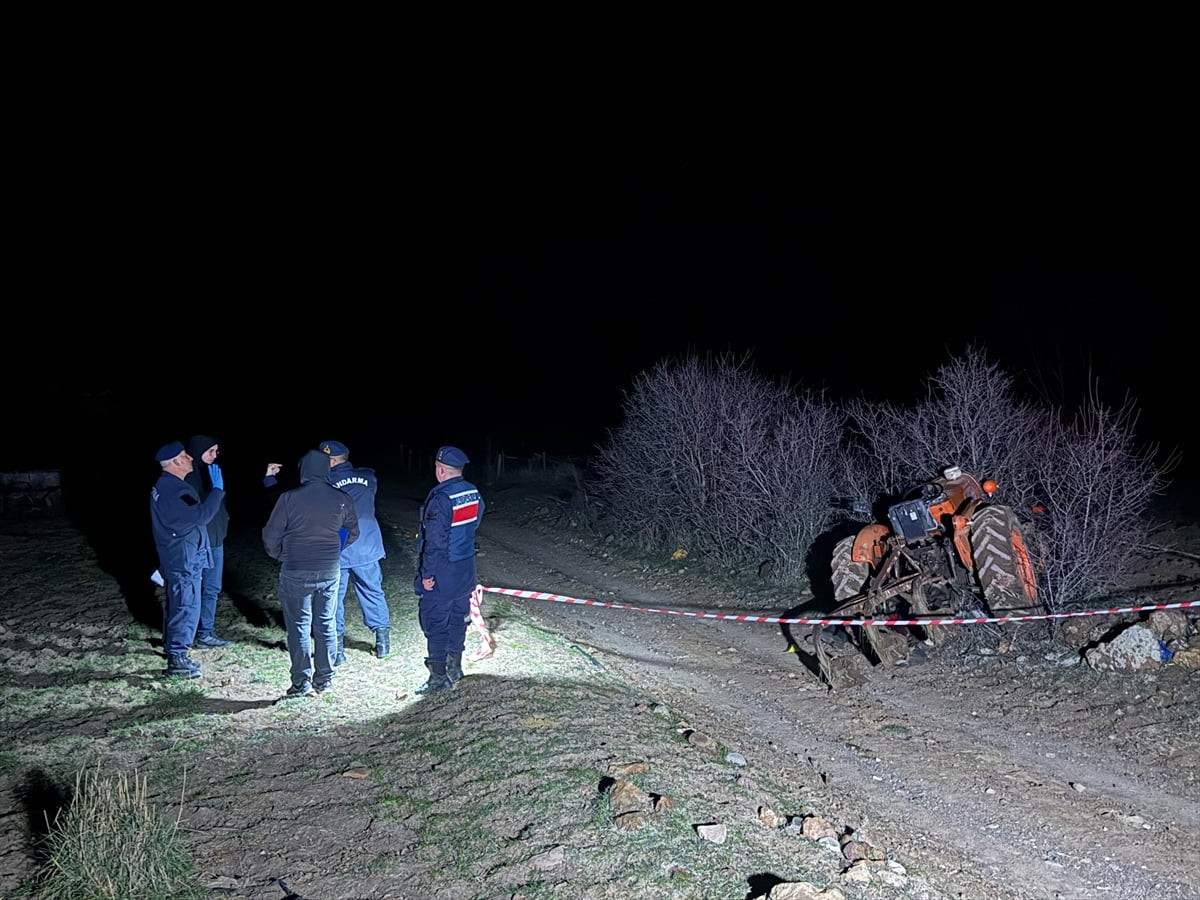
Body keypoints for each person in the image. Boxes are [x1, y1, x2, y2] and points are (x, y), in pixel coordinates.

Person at [262, 449, 360, 698]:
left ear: (303, 470)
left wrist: (281, 554)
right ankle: (324, 679)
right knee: (325, 623)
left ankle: (301, 682)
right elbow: (353, 531)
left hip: (296, 569)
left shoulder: (289, 498)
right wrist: (333, 549)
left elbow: (271, 534)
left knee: (299, 626)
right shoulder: (341, 498)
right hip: (328, 569)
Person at [149, 441, 226, 678]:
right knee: (186, 605)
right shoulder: (175, 490)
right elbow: (200, 516)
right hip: (183, 558)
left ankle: (174, 648)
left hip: (178, 554)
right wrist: (217, 491)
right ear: (175, 462)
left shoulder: (167, 486)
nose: (191, 458)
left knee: (180, 602)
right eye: (185, 455)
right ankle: (178, 659)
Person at [413, 445, 485, 694]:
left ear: (441, 469)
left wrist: (427, 575)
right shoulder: (472, 491)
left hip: (443, 570)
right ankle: (455, 668)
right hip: (465, 568)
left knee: (435, 622)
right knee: (457, 619)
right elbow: (474, 522)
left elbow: (435, 542)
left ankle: (438, 678)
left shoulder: (441, 498)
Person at [319, 440, 392, 663]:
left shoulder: (325, 483)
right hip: (367, 543)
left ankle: (337, 651)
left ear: (331, 461)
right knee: (372, 591)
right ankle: (383, 643)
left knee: (332, 597)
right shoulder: (368, 477)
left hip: (338, 546)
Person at [184, 435, 235, 649]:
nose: (215, 456)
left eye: (217, 451)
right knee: (193, 588)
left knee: (212, 588)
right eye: (210, 451)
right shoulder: (189, 477)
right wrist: (215, 491)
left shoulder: (213, 473)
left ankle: (206, 633)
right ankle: (186, 633)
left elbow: (220, 507)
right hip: (197, 543)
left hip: (215, 541)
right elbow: (199, 512)